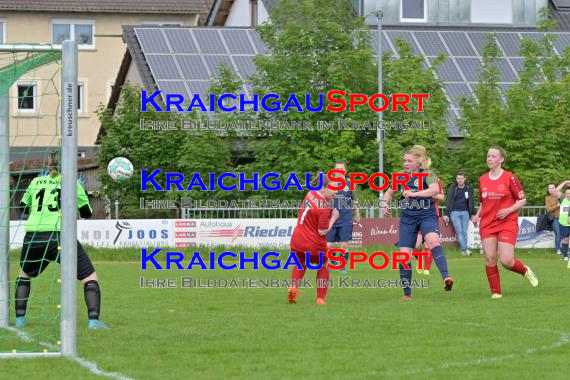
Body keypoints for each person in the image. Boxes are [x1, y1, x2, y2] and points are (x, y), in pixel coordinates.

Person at [16, 156, 108, 329]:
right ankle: (94, 321)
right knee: (89, 277)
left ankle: (20, 320)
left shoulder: (35, 181)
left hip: (34, 236)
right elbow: (87, 213)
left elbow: (22, 208)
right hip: (60, 237)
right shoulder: (73, 183)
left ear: (47, 166)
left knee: (24, 275)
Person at [383, 145, 453, 301]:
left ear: (418, 162)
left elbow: (435, 190)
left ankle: (446, 278)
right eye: (404, 160)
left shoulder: (428, 174)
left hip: (427, 215)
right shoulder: (400, 176)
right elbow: (389, 192)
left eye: (409, 161)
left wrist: (414, 194)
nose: (405, 163)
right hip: (408, 219)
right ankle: (407, 294)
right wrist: (385, 204)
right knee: (404, 256)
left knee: (433, 240)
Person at [471, 146, 538, 299]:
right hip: (487, 223)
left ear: (501, 159)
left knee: (506, 261)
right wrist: (477, 215)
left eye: (493, 156)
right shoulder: (482, 179)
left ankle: (525, 271)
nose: (490, 159)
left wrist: (508, 210)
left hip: (507, 222)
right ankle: (496, 292)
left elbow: (522, 200)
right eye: (488, 156)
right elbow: (483, 203)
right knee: (490, 258)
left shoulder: (510, 177)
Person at [288, 176, 339, 305]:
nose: (336, 192)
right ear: (323, 188)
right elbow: (323, 231)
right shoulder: (324, 207)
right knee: (325, 263)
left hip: (297, 240)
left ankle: (293, 287)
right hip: (313, 243)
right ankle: (320, 298)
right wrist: (333, 217)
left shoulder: (310, 193)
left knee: (302, 262)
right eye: (333, 188)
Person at [327, 160, 360, 274]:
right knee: (329, 244)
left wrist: (357, 213)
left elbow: (355, 200)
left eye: (341, 169)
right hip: (331, 219)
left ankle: (342, 267)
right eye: (337, 169)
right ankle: (332, 262)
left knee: (344, 244)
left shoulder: (350, 183)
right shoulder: (329, 184)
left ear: (345, 171)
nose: (339, 171)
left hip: (346, 218)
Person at [414, 175, 445, 276]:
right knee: (416, 245)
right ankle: (419, 263)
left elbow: (442, 196)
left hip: (430, 215)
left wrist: (429, 194)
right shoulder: (413, 178)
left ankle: (427, 268)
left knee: (429, 242)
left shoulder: (435, 179)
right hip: (416, 215)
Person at [443, 171, 475, 256]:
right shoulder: (452, 188)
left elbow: (472, 201)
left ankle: (462, 250)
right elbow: (448, 201)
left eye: (461, 178)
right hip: (454, 212)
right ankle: (466, 249)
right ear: (456, 179)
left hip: (465, 212)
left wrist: (472, 213)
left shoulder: (469, 188)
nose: (460, 180)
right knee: (459, 232)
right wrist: (446, 213)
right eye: (458, 178)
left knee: (464, 232)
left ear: (465, 179)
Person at [546, 182, 568, 256]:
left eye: (552, 188)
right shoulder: (548, 198)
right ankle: (558, 250)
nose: (551, 190)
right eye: (549, 188)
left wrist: (565, 183)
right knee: (558, 234)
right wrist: (557, 206)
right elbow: (548, 209)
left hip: (565, 219)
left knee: (565, 235)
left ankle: (565, 250)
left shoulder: (563, 196)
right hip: (556, 218)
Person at [557, 184, 570, 267]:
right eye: (567, 193)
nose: (568, 195)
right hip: (563, 223)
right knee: (565, 240)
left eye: (569, 193)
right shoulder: (562, 199)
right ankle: (565, 256)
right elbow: (556, 190)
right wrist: (565, 182)